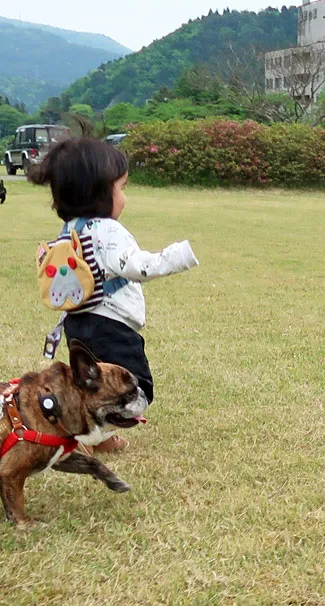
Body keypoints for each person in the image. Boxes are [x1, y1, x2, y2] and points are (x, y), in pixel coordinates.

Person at [29, 138, 199, 453]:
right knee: (135, 390)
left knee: (92, 387)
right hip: (110, 327)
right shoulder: (108, 231)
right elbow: (139, 267)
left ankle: (99, 439)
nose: (124, 197)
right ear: (99, 193)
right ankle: (83, 437)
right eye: (121, 188)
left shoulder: (70, 230)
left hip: (77, 323)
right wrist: (179, 256)